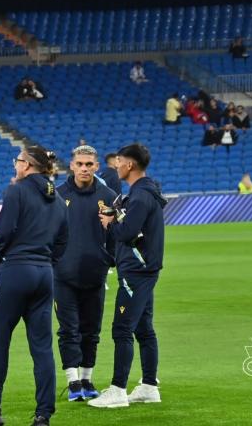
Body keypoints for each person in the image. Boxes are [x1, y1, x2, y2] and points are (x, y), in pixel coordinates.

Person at [0, 146, 68, 426]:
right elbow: (63, 241)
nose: (15, 165)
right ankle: (43, 416)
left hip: (15, 269)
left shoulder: (17, 190)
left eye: (18, 160)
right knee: (42, 347)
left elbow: (6, 231)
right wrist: (47, 262)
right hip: (44, 273)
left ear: (26, 165)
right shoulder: (59, 199)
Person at [91, 143, 167, 409]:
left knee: (122, 329)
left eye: (120, 161)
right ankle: (148, 386)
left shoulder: (140, 196)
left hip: (136, 270)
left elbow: (126, 233)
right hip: (144, 269)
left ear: (130, 165)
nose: (117, 165)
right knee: (144, 329)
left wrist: (111, 223)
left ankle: (118, 389)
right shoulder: (145, 193)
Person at [55, 145, 116, 402]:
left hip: (95, 274)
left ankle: (88, 378)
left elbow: (115, 233)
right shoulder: (58, 195)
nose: (84, 168)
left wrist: (109, 260)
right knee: (69, 330)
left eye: (89, 164)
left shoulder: (108, 195)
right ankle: (72, 382)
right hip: (63, 275)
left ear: (97, 167)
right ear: (71, 166)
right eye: (79, 164)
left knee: (91, 330)